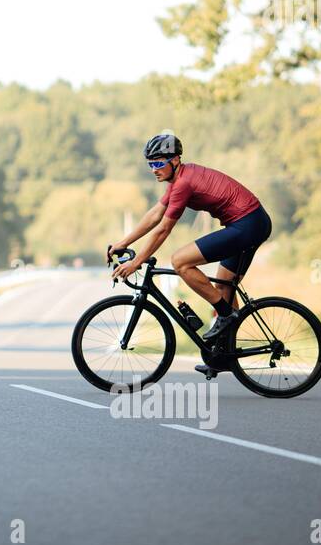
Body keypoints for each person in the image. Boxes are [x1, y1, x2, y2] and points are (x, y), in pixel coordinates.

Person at [107, 133, 272, 374]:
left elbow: (163, 228)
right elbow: (155, 215)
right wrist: (121, 243)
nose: (153, 169)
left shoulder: (184, 182)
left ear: (175, 160)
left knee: (180, 261)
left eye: (158, 163)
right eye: (150, 164)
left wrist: (137, 262)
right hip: (247, 223)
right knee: (224, 286)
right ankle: (225, 355)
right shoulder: (180, 179)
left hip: (248, 224)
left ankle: (226, 316)